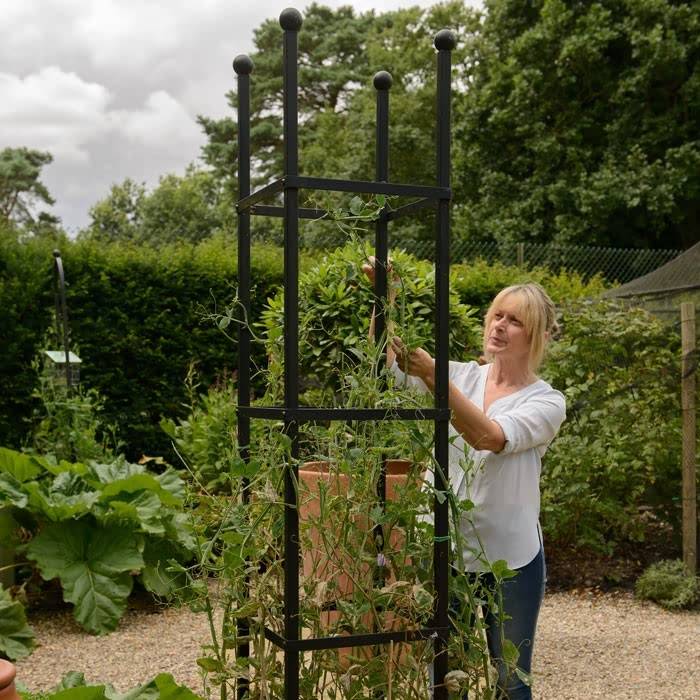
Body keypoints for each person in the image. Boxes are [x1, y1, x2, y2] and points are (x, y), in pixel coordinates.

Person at [363, 259, 566, 700]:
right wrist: (385, 297)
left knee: (511, 679)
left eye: (515, 321)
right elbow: (382, 368)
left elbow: (488, 436)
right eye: (497, 314)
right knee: (443, 673)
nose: (500, 326)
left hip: (509, 559)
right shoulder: (461, 376)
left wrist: (434, 375)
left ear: (536, 336)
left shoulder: (547, 401)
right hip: (443, 550)